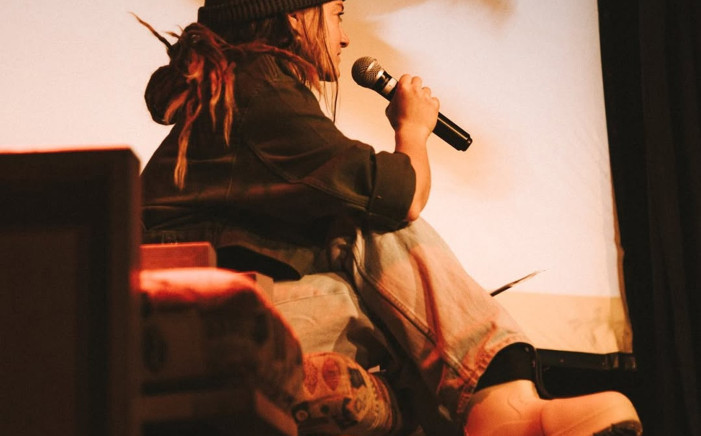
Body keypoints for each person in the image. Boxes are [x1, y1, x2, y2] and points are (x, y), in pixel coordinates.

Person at [139, 1, 643, 434]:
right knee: (372, 227)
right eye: (337, 14)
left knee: (392, 300)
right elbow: (403, 195)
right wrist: (412, 130)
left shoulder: (242, 87)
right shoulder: (259, 89)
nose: (344, 36)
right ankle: (504, 400)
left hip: (227, 306)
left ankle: (497, 401)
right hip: (209, 320)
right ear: (295, 16)